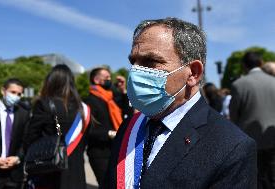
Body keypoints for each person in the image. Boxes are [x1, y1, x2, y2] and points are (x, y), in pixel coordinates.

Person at [104, 18, 257, 189]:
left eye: (150, 62)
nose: (135, 72)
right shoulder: (129, 128)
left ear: (193, 73)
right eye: (134, 62)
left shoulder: (232, 147)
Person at [24, 64, 91, 189]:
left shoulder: (44, 104)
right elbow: (85, 142)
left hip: (49, 171)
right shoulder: (84, 109)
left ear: (50, 81)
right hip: (76, 172)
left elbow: (30, 138)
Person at [229, 52, 275, 189]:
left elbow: (234, 115)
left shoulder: (239, 84)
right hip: (273, 137)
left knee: (255, 178)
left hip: (250, 139)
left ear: (244, 66)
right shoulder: (273, 81)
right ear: (261, 63)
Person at [84, 67, 133, 186]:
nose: (110, 80)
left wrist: (123, 91)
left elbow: (127, 112)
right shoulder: (90, 101)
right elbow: (88, 130)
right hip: (99, 153)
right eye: (106, 78)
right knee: (106, 184)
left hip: (115, 149)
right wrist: (110, 133)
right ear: (96, 80)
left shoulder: (111, 99)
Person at [0, 78, 30, 189]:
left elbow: (26, 141)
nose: (16, 96)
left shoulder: (23, 114)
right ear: (3, 91)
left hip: (14, 174)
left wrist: (17, 158)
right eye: (13, 92)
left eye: (19, 94)